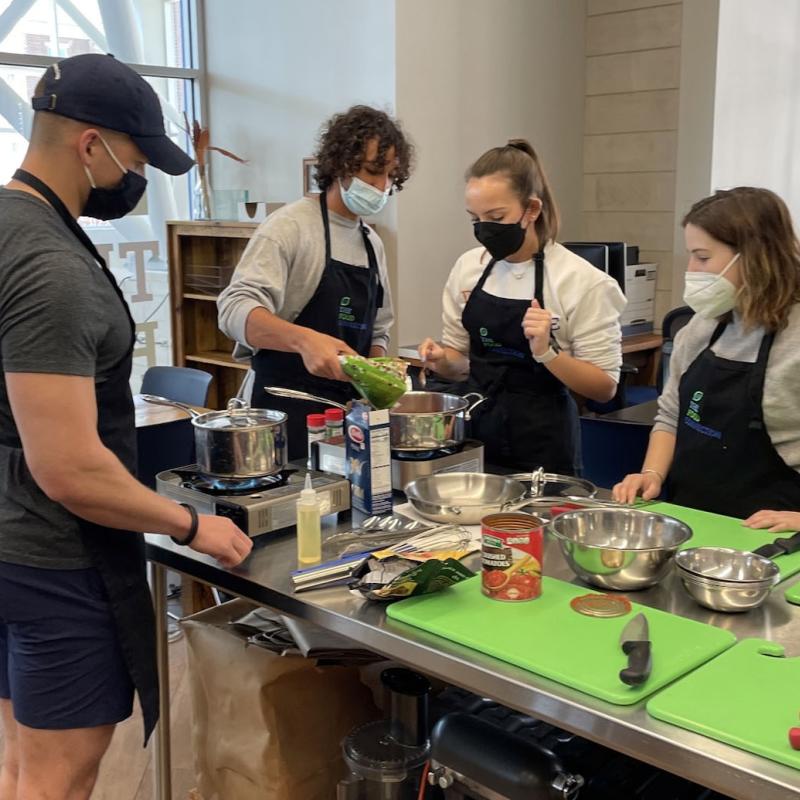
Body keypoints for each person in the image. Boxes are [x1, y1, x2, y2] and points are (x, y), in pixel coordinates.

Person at [0, 54, 252, 800]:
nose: (132, 179)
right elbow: (71, 469)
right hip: (55, 560)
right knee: (59, 775)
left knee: (18, 760)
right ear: (89, 145)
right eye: (133, 159)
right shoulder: (52, 267)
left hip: (8, 544)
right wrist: (186, 525)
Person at [218, 106, 414, 459]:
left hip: (345, 418)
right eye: (373, 172)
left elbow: (379, 329)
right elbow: (234, 310)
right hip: (282, 413)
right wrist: (304, 341)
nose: (382, 187)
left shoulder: (372, 243)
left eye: (389, 176)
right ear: (340, 164)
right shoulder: (289, 228)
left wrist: (376, 376)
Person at [419, 140, 625, 474]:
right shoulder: (469, 268)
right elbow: (461, 363)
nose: (484, 229)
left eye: (496, 217)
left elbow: (604, 387)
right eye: (475, 219)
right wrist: (442, 359)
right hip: (476, 435)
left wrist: (547, 353)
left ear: (531, 210)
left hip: (543, 444)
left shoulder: (582, 281)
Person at [613, 187, 800, 525]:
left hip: (775, 539)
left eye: (702, 257)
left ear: (754, 256)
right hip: (693, 520)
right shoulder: (701, 327)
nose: (692, 269)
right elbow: (670, 416)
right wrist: (651, 474)